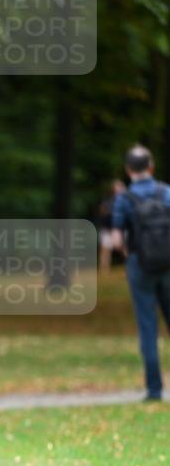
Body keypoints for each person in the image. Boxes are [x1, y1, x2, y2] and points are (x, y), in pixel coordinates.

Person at [112, 145, 170, 401]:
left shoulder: (124, 199)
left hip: (140, 266)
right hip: (168, 265)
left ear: (128, 170)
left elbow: (117, 240)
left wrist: (131, 254)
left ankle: (154, 390)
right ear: (151, 167)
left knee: (148, 327)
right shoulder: (166, 192)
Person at [97, 179, 126, 271]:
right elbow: (102, 215)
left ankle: (132, 269)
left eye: (120, 187)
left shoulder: (127, 201)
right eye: (117, 187)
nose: (119, 189)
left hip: (121, 229)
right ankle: (104, 270)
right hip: (108, 229)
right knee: (105, 251)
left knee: (126, 250)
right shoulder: (107, 201)